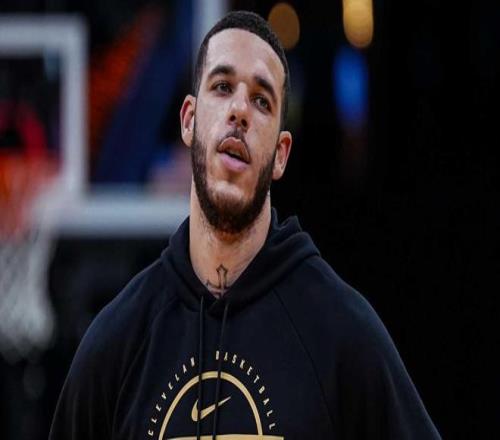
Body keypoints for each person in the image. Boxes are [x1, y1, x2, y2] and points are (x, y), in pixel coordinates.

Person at [49, 10, 441, 440]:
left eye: (261, 100)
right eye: (222, 87)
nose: (239, 110)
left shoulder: (341, 332)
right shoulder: (119, 339)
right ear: (188, 120)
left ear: (281, 154)